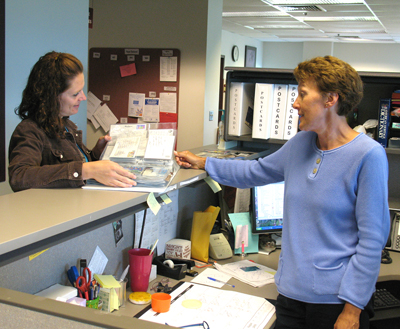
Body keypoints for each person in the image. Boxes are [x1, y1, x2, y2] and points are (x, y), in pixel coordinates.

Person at [175, 56, 390, 329]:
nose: (295, 103)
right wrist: (204, 162)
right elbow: (254, 172)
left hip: (334, 303)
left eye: (302, 94)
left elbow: (372, 242)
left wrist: (352, 311)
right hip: (290, 296)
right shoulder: (301, 143)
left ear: (330, 99)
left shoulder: (368, 156)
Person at [8, 51, 136, 192]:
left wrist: (96, 155)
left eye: (82, 90)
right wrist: (84, 170)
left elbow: (80, 170)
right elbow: (19, 177)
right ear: (52, 96)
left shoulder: (67, 126)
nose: (83, 97)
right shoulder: (29, 130)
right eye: (75, 94)